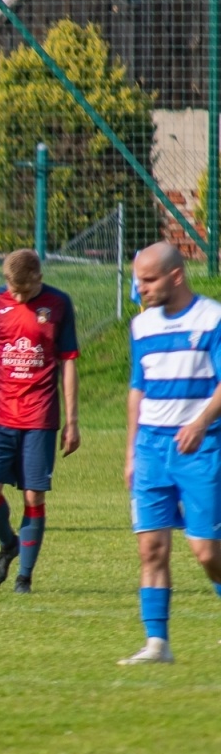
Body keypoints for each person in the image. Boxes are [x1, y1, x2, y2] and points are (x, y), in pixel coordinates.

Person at [119, 242, 221, 665]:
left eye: (149, 280)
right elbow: (137, 389)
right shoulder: (141, 326)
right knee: (151, 549)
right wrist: (131, 452)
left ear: (175, 276)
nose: (140, 288)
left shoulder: (212, 318)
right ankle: (157, 644)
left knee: (207, 552)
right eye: (138, 280)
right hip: (151, 449)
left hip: (201, 448)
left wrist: (199, 423)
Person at [0, 250, 80, 594]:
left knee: (34, 496)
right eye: (14, 290)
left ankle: (24, 577)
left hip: (40, 416)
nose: (19, 298)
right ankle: (9, 544)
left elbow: (68, 363)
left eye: (25, 291)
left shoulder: (59, 304)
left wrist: (72, 421)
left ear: (39, 277)